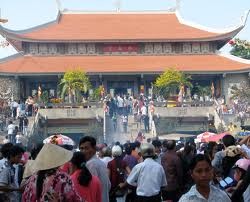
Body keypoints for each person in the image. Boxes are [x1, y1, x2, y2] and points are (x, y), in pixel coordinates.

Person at [79, 136, 111, 202]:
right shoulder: (100, 162)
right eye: (81, 148)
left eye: (86, 148)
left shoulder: (91, 164)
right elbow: (108, 185)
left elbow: (91, 187)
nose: (83, 151)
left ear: (94, 149)